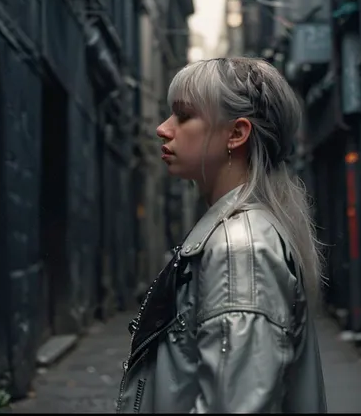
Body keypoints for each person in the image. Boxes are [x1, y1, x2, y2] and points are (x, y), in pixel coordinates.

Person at [116, 57, 327, 413]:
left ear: (236, 133)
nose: (162, 129)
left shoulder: (239, 250)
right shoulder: (241, 235)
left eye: (183, 115)